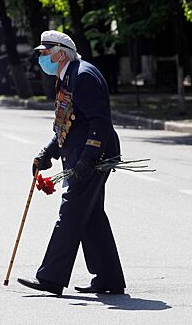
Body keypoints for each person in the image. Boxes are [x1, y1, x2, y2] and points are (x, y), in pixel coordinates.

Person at [17, 30, 126, 295]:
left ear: (60, 53)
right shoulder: (69, 75)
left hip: (93, 157)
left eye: (45, 53)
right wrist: (48, 153)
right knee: (91, 216)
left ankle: (51, 278)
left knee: (70, 213)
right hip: (81, 155)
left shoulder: (83, 76)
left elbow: (99, 122)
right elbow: (68, 123)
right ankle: (109, 279)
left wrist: (88, 159)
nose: (42, 58)